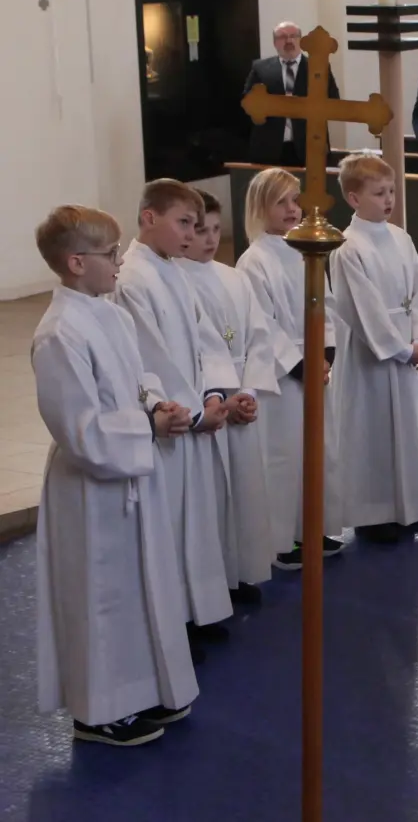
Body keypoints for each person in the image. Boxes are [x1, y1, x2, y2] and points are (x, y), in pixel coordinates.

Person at [33, 205, 199, 748]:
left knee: (139, 586)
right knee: (100, 596)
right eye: (110, 254)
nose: (119, 263)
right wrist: (147, 425)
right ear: (77, 262)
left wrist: (158, 405)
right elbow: (79, 427)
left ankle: (142, 689)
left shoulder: (112, 315)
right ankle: (98, 713)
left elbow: (139, 379)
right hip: (91, 486)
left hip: (130, 472)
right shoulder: (59, 333)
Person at [114, 180, 234, 644]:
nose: (192, 234)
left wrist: (215, 395)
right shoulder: (132, 279)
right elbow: (151, 357)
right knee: (170, 522)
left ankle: (198, 610)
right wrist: (192, 411)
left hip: (195, 412)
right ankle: (173, 625)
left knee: (195, 519)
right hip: (171, 420)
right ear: (149, 217)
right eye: (183, 222)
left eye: (196, 225)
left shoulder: (174, 271)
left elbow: (204, 341)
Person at [233, 168, 345, 571]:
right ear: (259, 207)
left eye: (295, 200)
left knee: (318, 450)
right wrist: (301, 366)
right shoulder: (254, 261)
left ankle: (311, 527)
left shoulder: (305, 250)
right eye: (280, 202)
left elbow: (326, 304)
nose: (291, 209)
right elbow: (262, 325)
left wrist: (326, 353)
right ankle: (281, 540)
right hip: (283, 375)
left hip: (315, 364)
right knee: (284, 455)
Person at [327, 154, 418, 545]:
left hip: (405, 347)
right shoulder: (348, 247)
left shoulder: (400, 238)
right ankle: (372, 513)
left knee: (405, 430)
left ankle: (408, 507)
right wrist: (401, 349)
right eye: (379, 193)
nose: (389, 199)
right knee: (371, 431)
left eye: (391, 191)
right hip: (370, 356)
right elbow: (362, 310)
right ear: (354, 198)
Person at [181, 192, 276, 605]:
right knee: (213, 499)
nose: (209, 239)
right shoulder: (176, 280)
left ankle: (242, 571)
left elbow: (260, 337)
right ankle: (214, 582)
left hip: (240, 396)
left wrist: (249, 391)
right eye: (201, 230)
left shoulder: (234, 278)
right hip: (210, 404)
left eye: (216, 230)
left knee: (245, 492)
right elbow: (194, 351)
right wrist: (223, 398)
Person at [242, 21, 341, 166]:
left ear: (301, 40)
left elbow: (334, 101)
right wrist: (278, 105)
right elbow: (247, 101)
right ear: (275, 43)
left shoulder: (318, 67)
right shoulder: (260, 68)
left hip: (309, 145)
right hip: (269, 147)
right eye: (282, 37)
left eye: (293, 36)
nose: (289, 41)